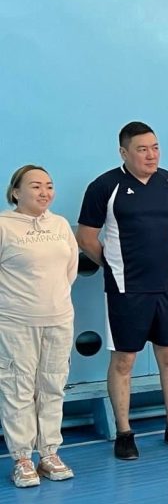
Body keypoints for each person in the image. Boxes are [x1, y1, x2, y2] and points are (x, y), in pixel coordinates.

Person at [76, 121, 168, 460]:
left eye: (155, 147)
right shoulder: (105, 186)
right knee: (124, 360)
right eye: (142, 149)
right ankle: (124, 432)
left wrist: (162, 251)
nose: (151, 155)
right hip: (125, 289)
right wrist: (116, 266)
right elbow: (86, 237)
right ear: (124, 152)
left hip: (166, 286)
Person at [0, 166, 78, 487]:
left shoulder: (60, 225)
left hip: (59, 319)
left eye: (49, 185)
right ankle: (22, 458)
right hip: (16, 322)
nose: (44, 192)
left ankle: (49, 453)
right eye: (35, 186)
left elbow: (70, 269)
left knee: (52, 385)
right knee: (18, 387)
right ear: (16, 192)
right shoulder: (4, 225)